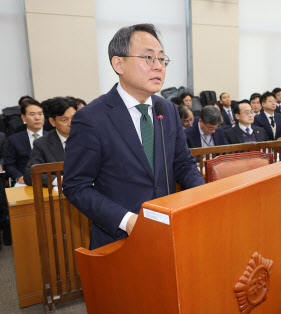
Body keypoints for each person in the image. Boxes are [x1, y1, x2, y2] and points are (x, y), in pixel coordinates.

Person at [62, 24, 204, 249]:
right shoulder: (91, 118)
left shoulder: (166, 109)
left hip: (169, 232)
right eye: (148, 58)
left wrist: (204, 195)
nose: (158, 66)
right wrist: (127, 221)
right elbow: (76, 186)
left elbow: (183, 163)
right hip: (120, 240)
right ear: (119, 63)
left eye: (161, 59)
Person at [24, 97, 77, 186]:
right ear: (52, 122)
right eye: (64, 119)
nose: (71, 123)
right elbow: (30, 175)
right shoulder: (42, 144)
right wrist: (59, 180)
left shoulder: (89, 138)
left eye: (74, 117)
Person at [5, 100, 46, 186]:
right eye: (32, 114)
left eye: (40, 114)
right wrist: (18, 176)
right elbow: (9, 164)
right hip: (24, 182)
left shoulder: (52, 137)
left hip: (50, 180)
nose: (37, 118)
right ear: (23, 117)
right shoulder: (14, 139)